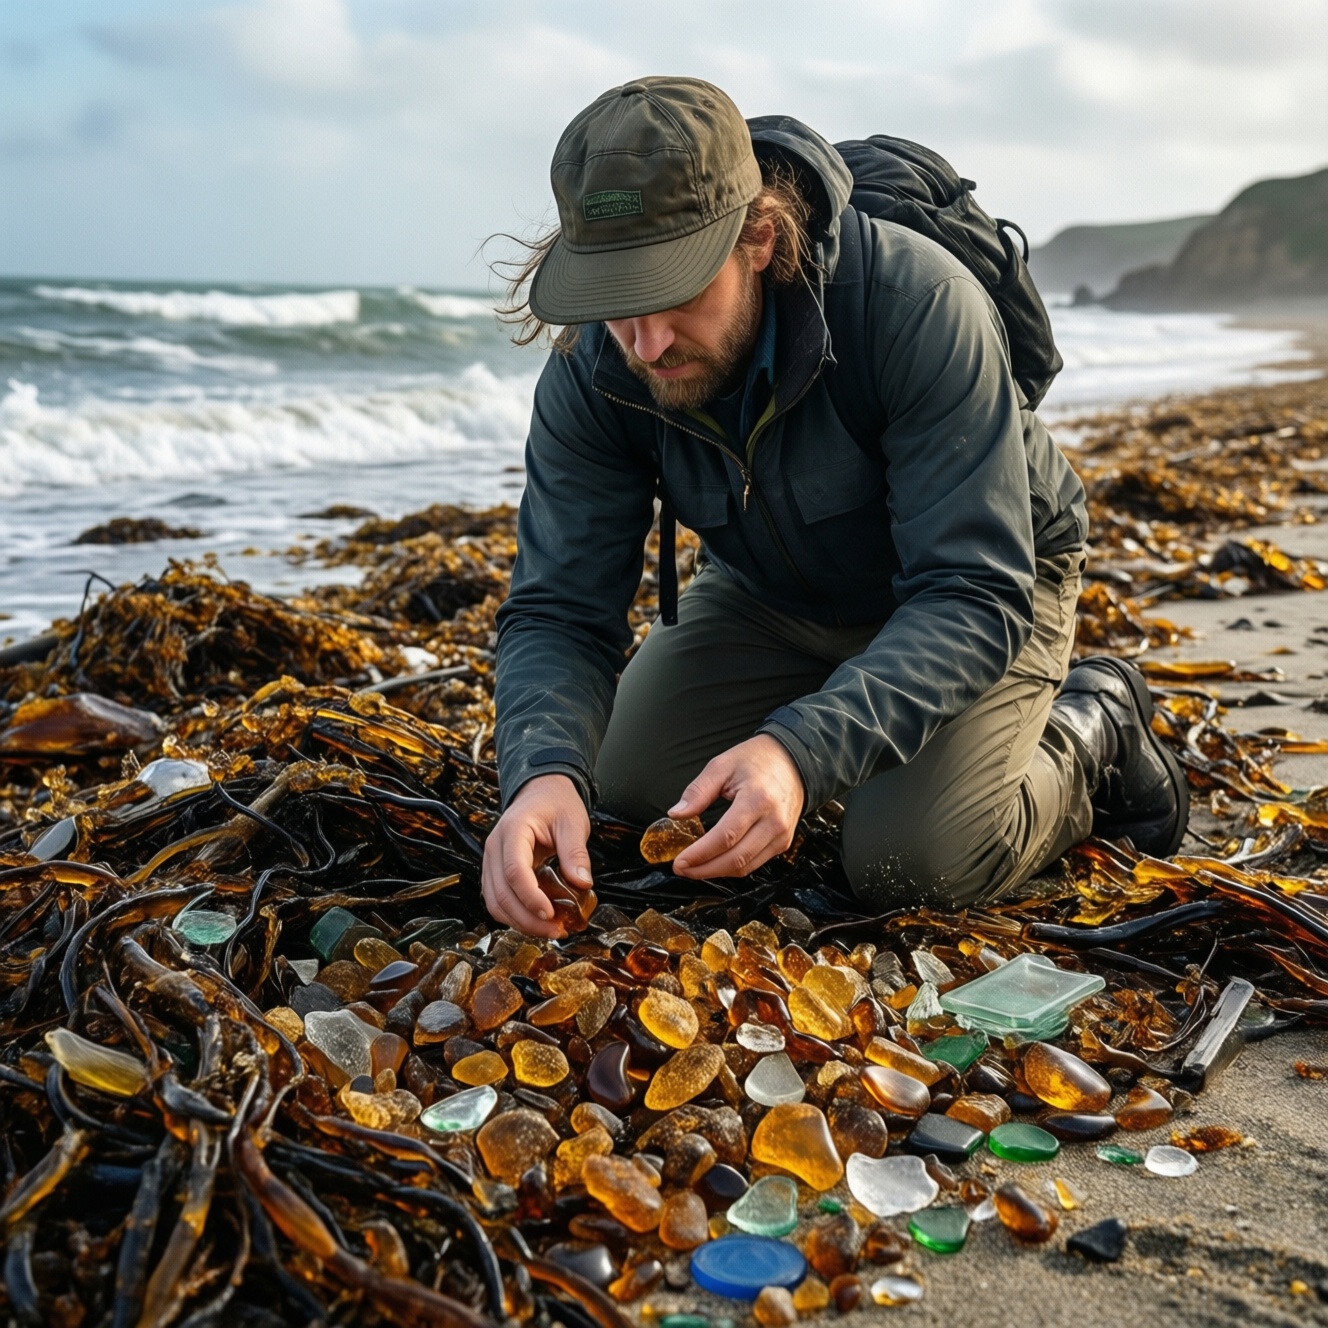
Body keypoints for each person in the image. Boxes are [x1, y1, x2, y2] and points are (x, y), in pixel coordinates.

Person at [481, 76, 1188, 938]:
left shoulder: (913, 304)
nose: (649, 344)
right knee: (624, 792)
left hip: (984, 585)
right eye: (620, 307)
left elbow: (972, 590)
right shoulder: (596, 366)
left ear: (759, 239)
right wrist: (539, 776)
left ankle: (1094, 724)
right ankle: (852, 726)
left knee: (909, 863)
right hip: (769, 592)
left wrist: (799, 752)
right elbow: (558, 607)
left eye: (677, 297)